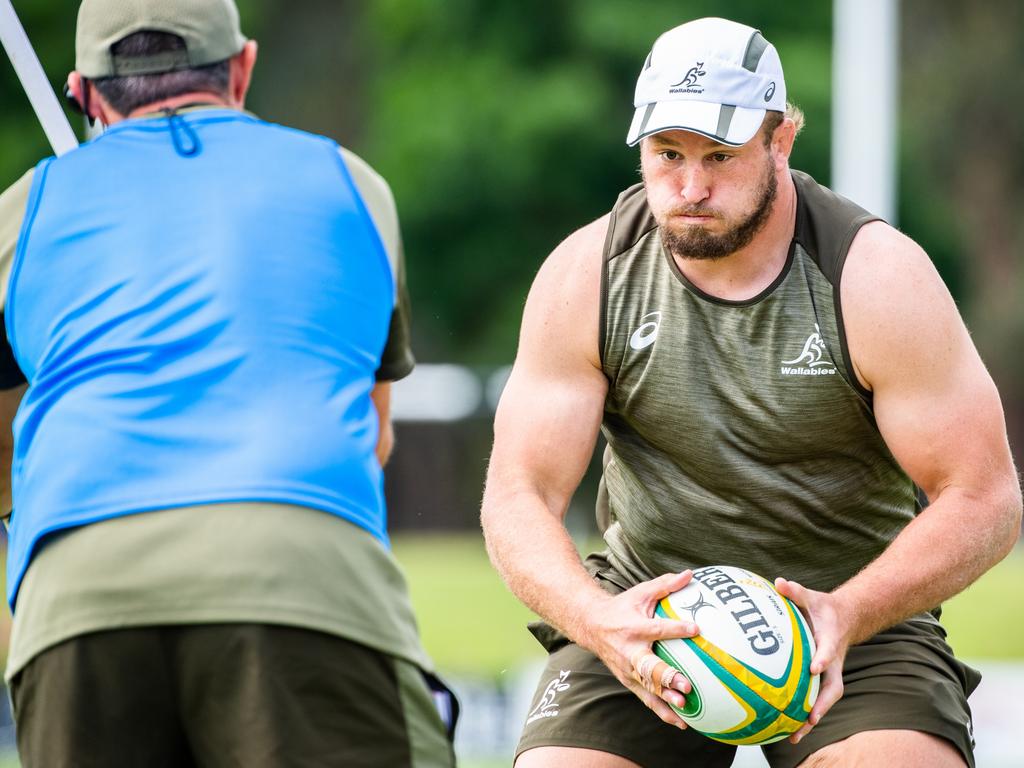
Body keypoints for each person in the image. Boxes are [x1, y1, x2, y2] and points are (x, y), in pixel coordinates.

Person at [481, 16, 1021, 768]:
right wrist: (600, 621)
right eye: (667, 155)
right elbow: (518, 494)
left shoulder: (875, 278)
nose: (691, 186)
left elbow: (987, 496)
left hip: (855, 613)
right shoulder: (586, 276)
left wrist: (851, 611)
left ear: (781, 141)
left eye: (721, 155)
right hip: (648, 608)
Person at [0, 0, 457, 765]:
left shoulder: (21, 211)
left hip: (79, 595)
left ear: (82, 95)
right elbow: (372, 435)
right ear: (242, 67)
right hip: (303, 569)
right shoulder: (352, 183)